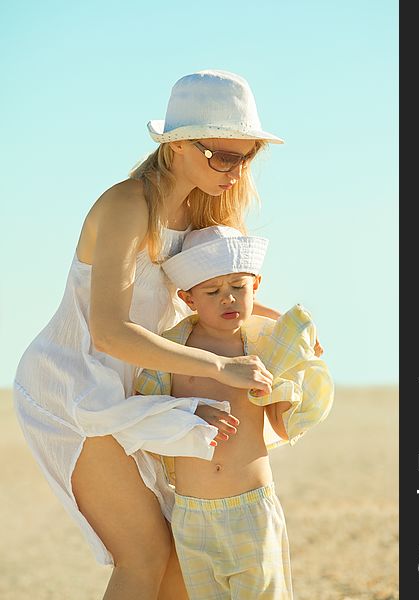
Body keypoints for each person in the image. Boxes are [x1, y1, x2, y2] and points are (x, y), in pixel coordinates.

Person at [13, 70, 285, 600]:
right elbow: (110, 332)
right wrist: (218, 368)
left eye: (246, 156)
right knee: (143, 553)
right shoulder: (126, 205)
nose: (236, 170)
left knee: (181, 560)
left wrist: (285, 331)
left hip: (143, 387)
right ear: (177, 145)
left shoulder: (206, 207)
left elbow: (219, 296)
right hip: (75, 387)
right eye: (222, 156)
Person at [125, 225, 334, 599]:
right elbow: (145, 413)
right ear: (189, 298)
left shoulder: (261, 347)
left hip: (251, 509)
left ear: (255, 285)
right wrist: (191, 412)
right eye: (213, 291)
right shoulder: (172, 349)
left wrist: (279, 392)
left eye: (238, 286)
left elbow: (282, 428)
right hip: (192, 513)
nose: (228, 299)